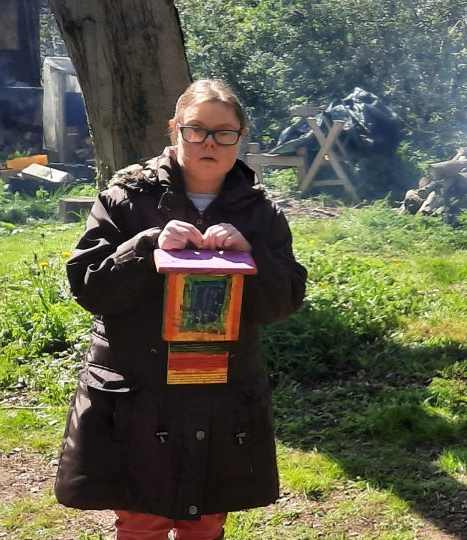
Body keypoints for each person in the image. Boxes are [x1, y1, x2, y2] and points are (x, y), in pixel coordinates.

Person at [56, 79, 307, 540]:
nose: (209, 143)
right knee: (140, 517)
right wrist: (146, 245)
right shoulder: (126, 196)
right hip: (138, 388)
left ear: (241, 136)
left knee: (205, 517)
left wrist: (252, 255)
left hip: (222, 388)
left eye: (223, 132)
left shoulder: (260, 211)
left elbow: (281, 303)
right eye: (196, 130)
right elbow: (90, 288)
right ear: (175, 130)